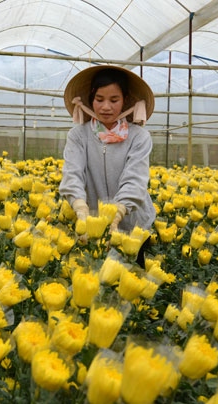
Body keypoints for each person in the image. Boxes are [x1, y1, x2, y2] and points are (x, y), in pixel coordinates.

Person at [58, 65, 156, 267]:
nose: (106, 107)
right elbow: (72, 174)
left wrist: (118, 213)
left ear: (126, 100)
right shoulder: (78, 136)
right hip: (93, 227)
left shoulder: (139, 137)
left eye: (114, 100)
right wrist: (81, 210)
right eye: (99, 99)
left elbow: (135, 180)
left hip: (134, 227)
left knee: (132, 285)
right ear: (90, 99)